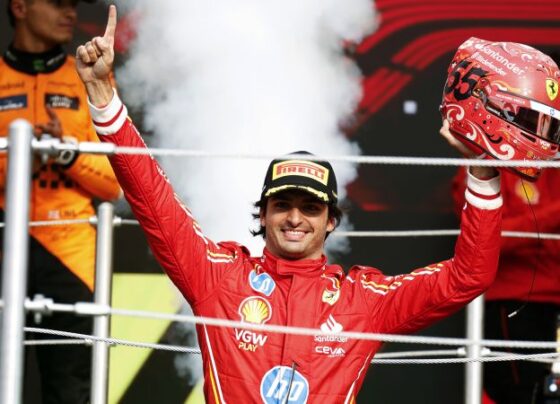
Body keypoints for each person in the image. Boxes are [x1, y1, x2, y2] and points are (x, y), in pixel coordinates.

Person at [75, 6, 503, 402]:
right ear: (262, 214)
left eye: (310, 208)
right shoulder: (217, 278)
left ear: (331, 220)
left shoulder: (364, 301)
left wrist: (482, 175)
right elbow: (153, 200)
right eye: (282, 205)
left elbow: (469, 277)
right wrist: (103, 97)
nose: (295, 218)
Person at [0, 0, 121, 402]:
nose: (69, 13)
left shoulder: (88, 76)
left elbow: (114, 183)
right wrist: (16, 155)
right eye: (57, 4)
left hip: (70, 255)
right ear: (19, 7)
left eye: (73, 5)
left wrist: (64, 153)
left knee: (69, 391)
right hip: (5, 245)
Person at [451, 167, 560, 404]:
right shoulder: (484, 167)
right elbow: (489, 240)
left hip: (550, 303)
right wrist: (553, 216)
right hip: (514, 304)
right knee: (521, 394)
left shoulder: (554, 168)